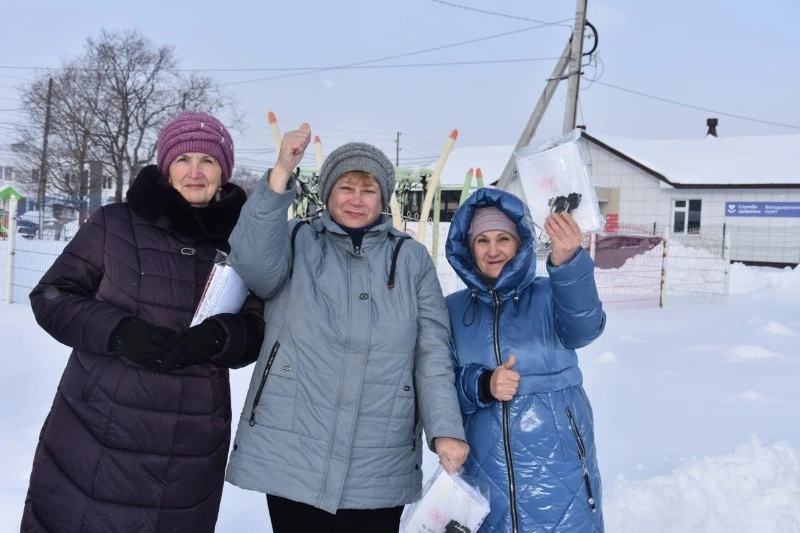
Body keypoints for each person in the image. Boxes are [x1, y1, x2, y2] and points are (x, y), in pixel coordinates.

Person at [21, 111, 265, 533]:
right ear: (165, 166)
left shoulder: (241, 242)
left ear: (222, 172)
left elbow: (259, 325)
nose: (194, 171)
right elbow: (51, 297)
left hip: (189, 440)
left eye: (207, 161)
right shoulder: (113, 224)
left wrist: (219, 338)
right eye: (183, 159)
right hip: (96, 428)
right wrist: (119, 332)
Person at [224, 123, 469, 533]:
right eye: (346, 187)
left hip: (379, 457)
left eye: (369, 189)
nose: (357, 199)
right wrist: (282, 169)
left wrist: (445, 428)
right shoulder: (296, 239)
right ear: (328, 193)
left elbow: (432, 354)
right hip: (294, 448)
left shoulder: (411, 260)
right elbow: (250, 263)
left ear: (382, 197)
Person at [445, 187, 606, 532]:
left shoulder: (551, 293)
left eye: (503, 238)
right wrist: (482, 384)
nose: (493, 250)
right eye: (482, 241)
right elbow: (438, 388)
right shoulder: (453, 311)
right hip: (486, 472)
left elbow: (586, 328)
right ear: (468, 249)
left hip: (559, 471)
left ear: (520, 242)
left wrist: (569, 264)